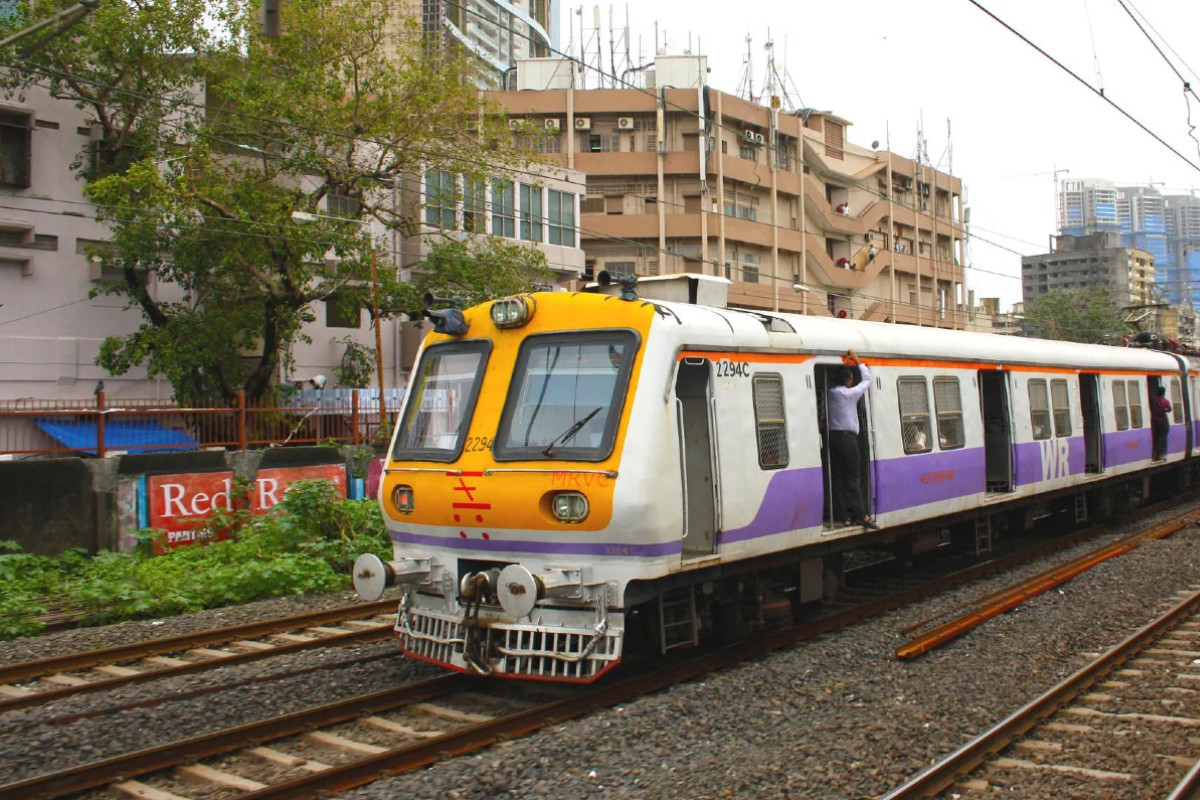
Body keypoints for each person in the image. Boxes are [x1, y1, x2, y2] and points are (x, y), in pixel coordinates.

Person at [827, 349, 878, 530]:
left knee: (839, 477)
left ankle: (845, 517)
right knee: (853, 478)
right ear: (848, 381)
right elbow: (868, 379)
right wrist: (857, 360)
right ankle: (862, 515)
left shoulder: (830, 393)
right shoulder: (849, 394)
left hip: (833, 438)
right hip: (848, 440)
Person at [1151, 385, 1172, 461]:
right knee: (1163, 437)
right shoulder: (1165, 401)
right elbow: (1169, 409)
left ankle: (1155, 454)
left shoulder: (1153, 399)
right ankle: (1161, 454)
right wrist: (1164, 410)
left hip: (1155, 420)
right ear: (1163, 393)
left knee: (1156, 437)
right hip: (1163, 420)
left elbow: (1154, 408)